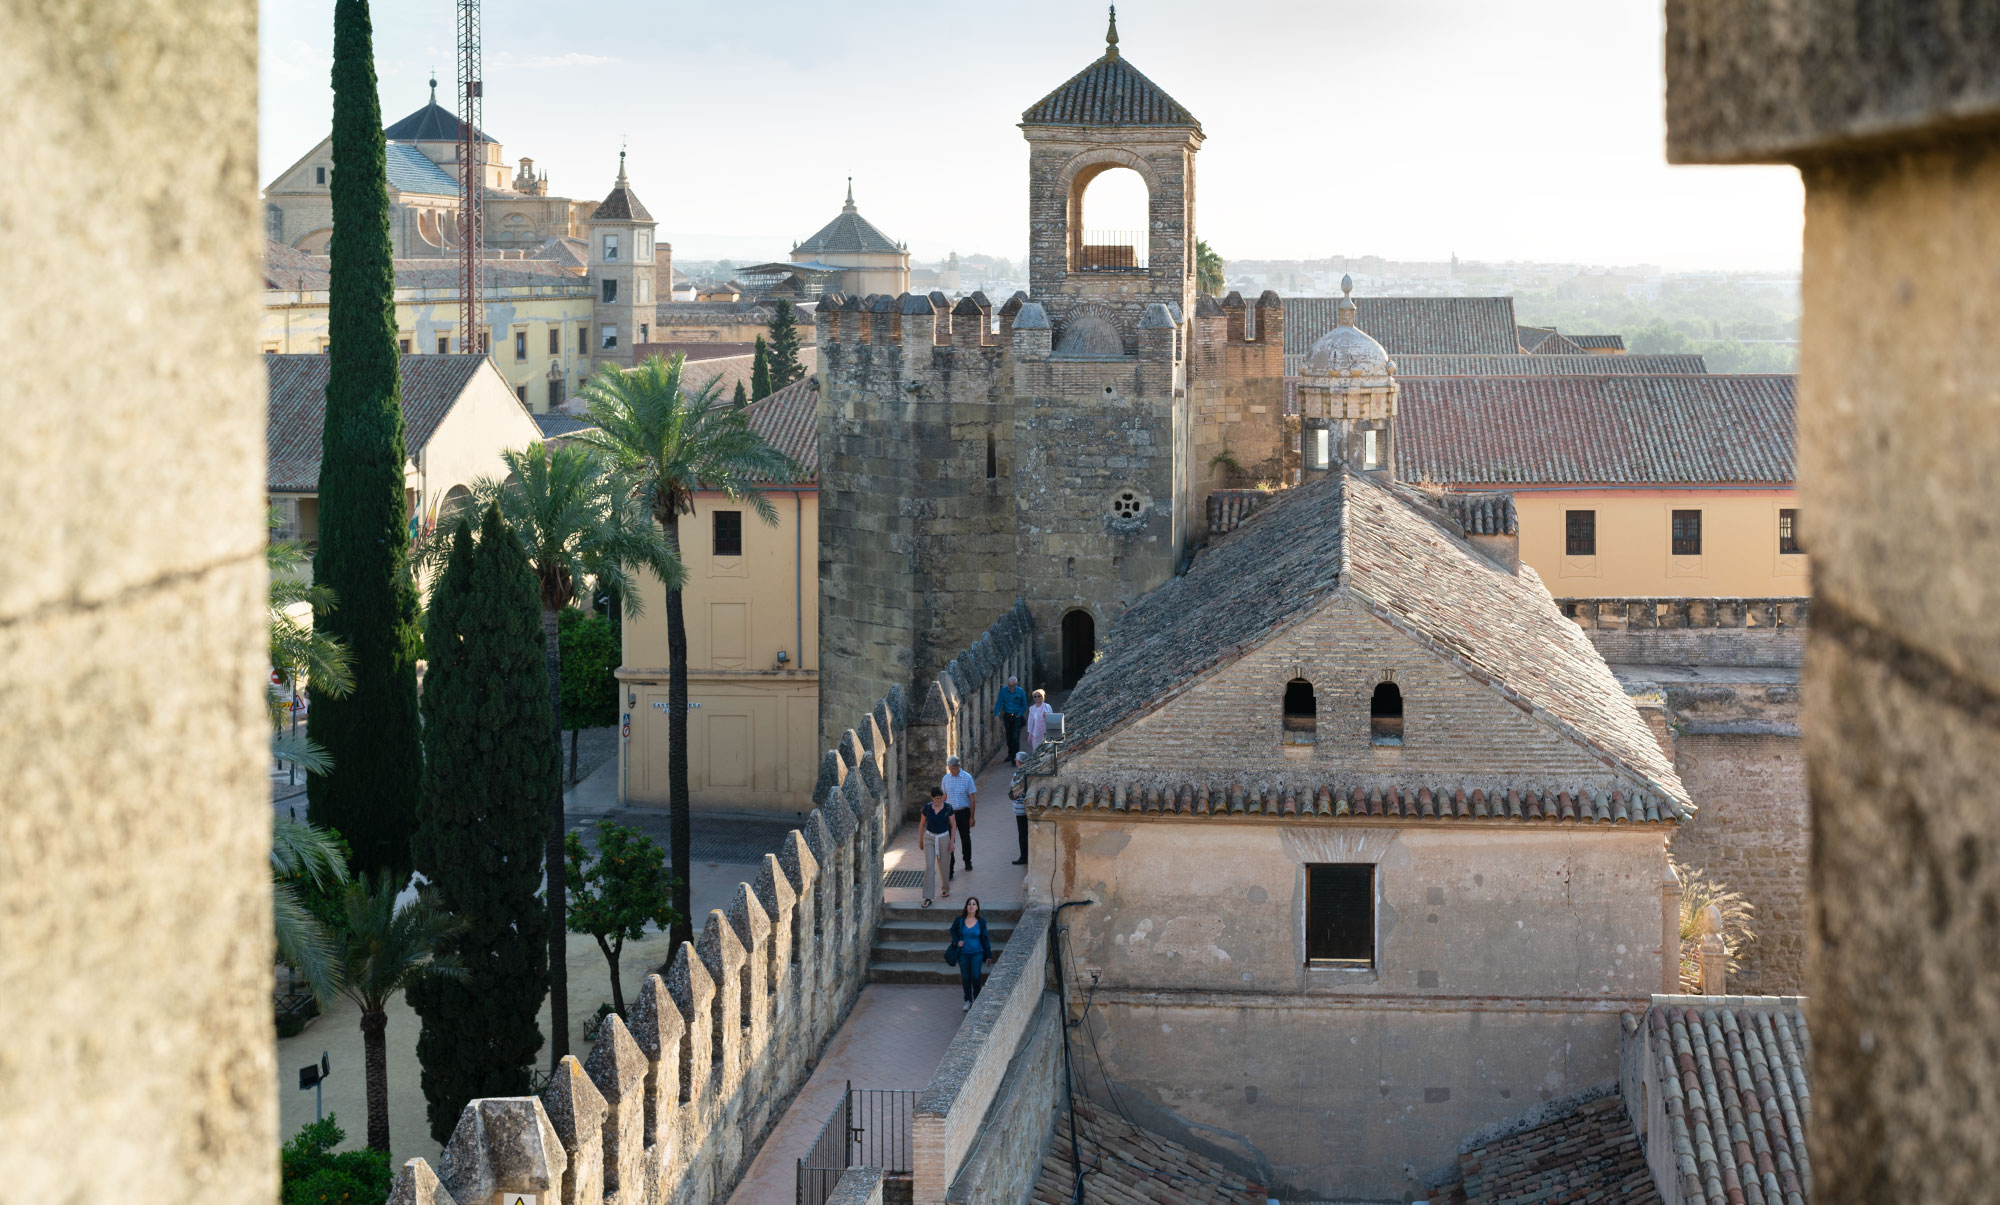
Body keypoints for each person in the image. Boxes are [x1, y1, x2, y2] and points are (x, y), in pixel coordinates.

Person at [950, 896, 993, 1010]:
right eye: (969, 904)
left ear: (977, 907)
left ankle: (977, 999)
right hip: (963, 954)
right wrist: (957, 941)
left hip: (977, 953)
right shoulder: (959, 920)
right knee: (965, 977)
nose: (971, 906)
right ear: (966, 906)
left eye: (974, 904)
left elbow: (985, 938)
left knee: (975, 976)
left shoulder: (981, 922)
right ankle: (968, 1000)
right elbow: (952, 930)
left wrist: (988, 955)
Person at [919, 787, 954, 907]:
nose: (939, 801)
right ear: (932, 798)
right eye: (936, 799)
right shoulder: (927, 808)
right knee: (929, 866)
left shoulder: (948, 808)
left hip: (944, 837)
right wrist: (920, 840)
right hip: (929, 838)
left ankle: (945, 888)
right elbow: (922, 824)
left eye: (940, 798)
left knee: (944, 865)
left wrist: (952, 842)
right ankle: (928, 897)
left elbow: (953, 825)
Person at [941, 755, 977, 872]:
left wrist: (972, 817)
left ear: (958, 766)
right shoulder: (946, 779)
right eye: (950, 768)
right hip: (950, 814)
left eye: (953, 768)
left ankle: (967, 861)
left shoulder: (967, 778)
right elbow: (944, 797)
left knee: (965, 837)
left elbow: (972, 798)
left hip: (963, 813)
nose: (952, 771)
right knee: (949, 840)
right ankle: (950, 868)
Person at [995, 676, 1027, 759]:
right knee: (1009, 737)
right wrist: (996, 714)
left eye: (1012, 685)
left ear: (1016, 684)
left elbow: (1024, 705)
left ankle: (1016, 757)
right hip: (1007, 716)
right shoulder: (1004, 690)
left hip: (1017, 716)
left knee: (1015, 737)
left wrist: (1019, 714)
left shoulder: (1020, 691)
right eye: (1009, 685)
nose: (1010, 687)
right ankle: (1010, 754)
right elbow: (999, 703)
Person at [1010, 751, 1029, 865]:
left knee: (1022, 834)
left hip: (1021, 809)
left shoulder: (1018, 774)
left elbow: (1014, 790)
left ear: (1019, 762)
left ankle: (1024, 856)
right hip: (1023, 807)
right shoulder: (1026, 772)